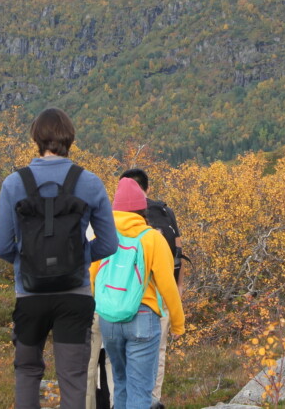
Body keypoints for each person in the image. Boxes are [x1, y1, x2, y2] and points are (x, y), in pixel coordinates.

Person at [0, 108, 118, 409]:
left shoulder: (14, 183)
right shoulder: (89, 182)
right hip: (74, 295)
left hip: (30, 294)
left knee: (27, 371)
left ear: (36, 137)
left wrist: (26, 263)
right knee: (73, 377)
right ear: (69, 138)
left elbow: (0, 245)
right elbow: (110, 243)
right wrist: (81, 258)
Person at [91, 177, 184, 409]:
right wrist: (178, 322)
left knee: (120, 382)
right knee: (141, 390)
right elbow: (167, 285)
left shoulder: (102, 235)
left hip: (110, 318)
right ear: (143, 209)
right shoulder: (152, 238)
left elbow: (92, 278)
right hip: (143, 317)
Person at [120, 168, 183, 409]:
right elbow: (178, 254)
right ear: (147, 188)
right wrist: (179, 289)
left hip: (120, 297)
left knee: (120, 359)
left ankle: (120, 402)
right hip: (159, 299)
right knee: (157, 354)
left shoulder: (112, 218)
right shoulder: (165, 212)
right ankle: (152, 401)